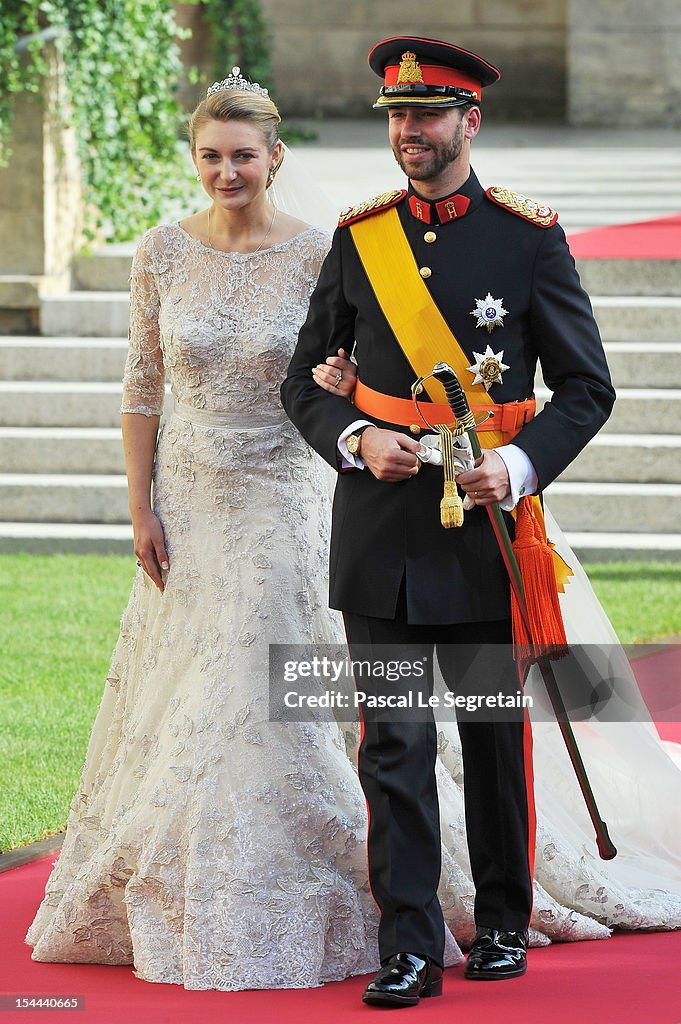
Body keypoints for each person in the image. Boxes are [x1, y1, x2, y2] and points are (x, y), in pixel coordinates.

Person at [281, 35, 681, 1007]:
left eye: (427, 114)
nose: (409, 131)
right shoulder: (360, 236)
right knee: (395, 744)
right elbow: (304, 380)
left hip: (485, 535)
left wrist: (518, 460)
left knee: (493, 734)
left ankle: (502, 917)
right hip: (379, 533)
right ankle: (409, 944)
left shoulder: (527, 236)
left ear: (471, 120)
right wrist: (352, 436)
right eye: (397, 116)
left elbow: (588, 388)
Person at [25, 72, 383, 990]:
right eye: (211, 156)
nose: (227, 171)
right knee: (185, 687)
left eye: (243, 156)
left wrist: (346, 388)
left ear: (274, 157)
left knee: (264, 678)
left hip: (282, 488)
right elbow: (142, 385)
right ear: (196, 158)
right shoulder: (159, 251)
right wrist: (139, 504)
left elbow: (345, 367)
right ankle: (168, 881)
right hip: (188, 492)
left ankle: (312, 882)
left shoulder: (321, 251)